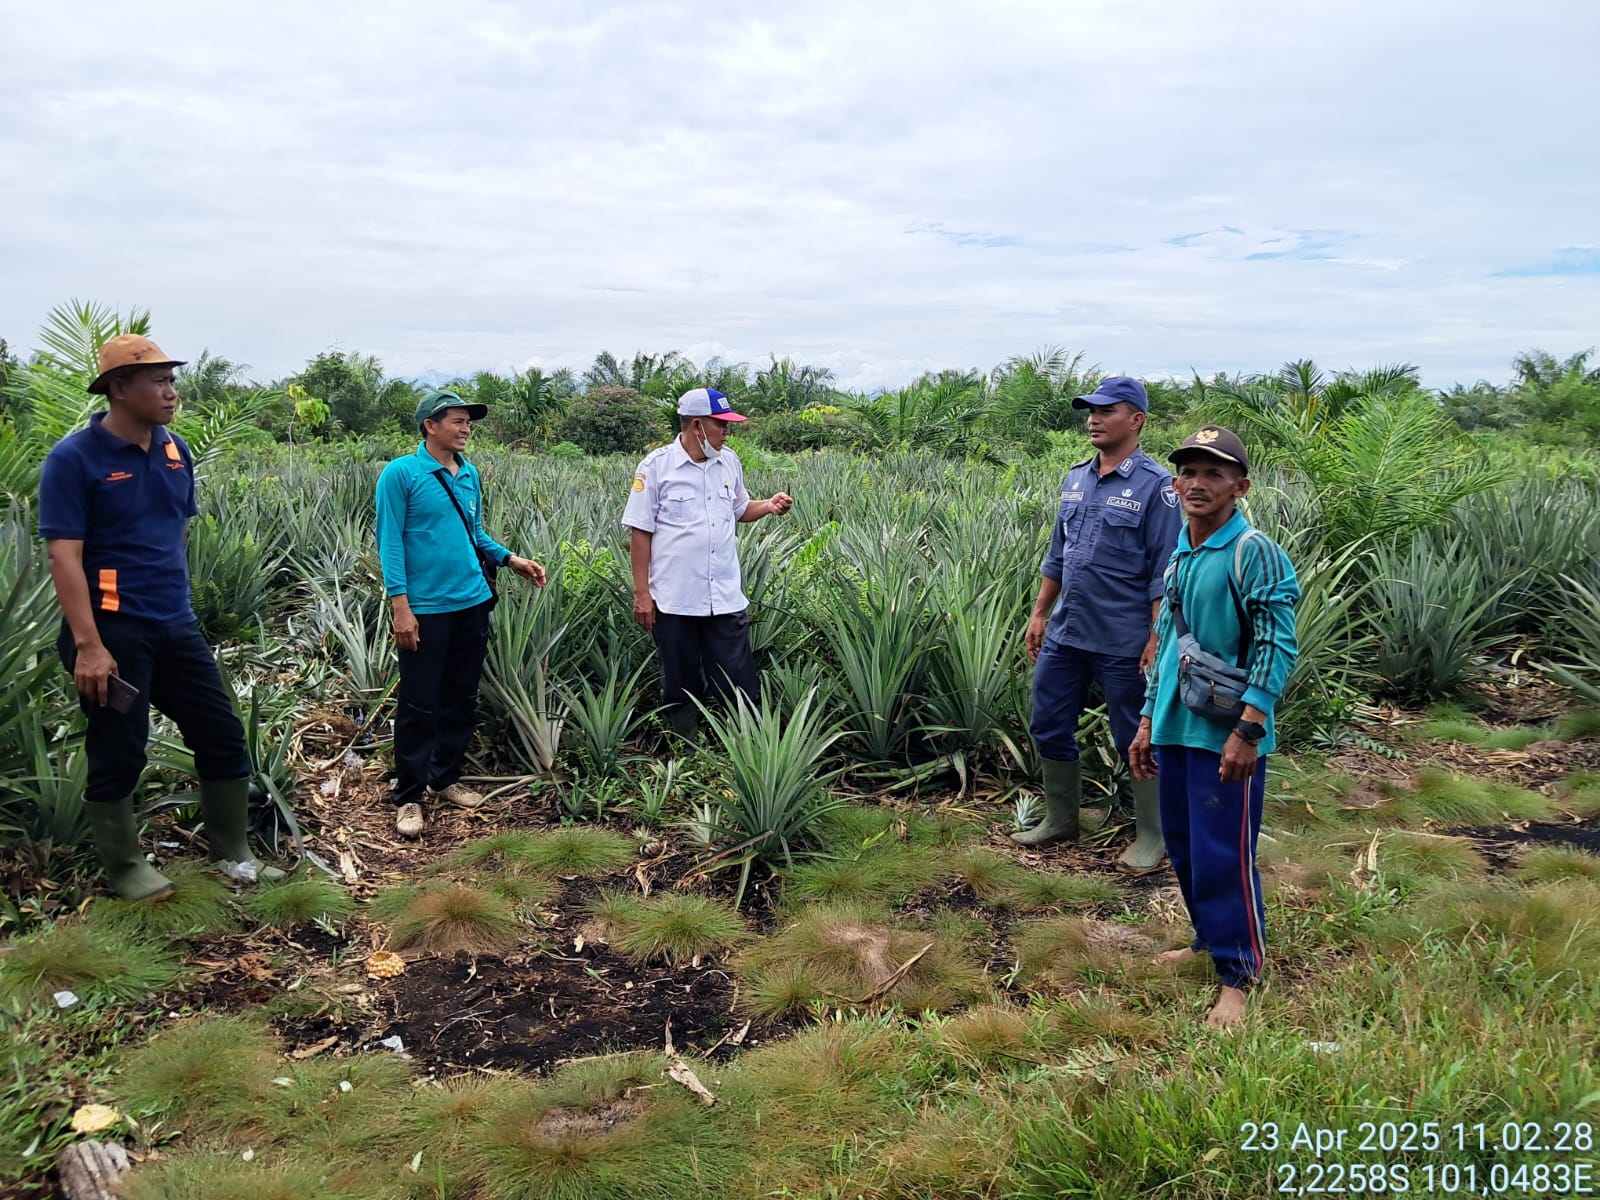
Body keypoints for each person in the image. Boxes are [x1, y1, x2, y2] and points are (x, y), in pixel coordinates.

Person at [37, 334, 281, 900]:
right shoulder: (74, 459)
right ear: (119, 389)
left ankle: (232, 853)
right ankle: (124, 867)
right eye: (159, 381)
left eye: (173, 380)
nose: (171, 392)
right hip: (112, 630)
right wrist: (89, 646)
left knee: (220, 732)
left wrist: (179, 604)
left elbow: (171, 533)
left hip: (174, 624)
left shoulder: (175, 450)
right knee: (119, 746)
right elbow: (63, 556)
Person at [1129, 426, 1300, 1029]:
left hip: (1226, 734)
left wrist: (1249, 730)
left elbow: (1279, 645)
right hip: (1176, 728)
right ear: (1175, 483)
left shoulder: (1253, 551)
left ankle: (1239, 973)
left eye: (1214, 474)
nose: (1198, 484)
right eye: (1189, 473)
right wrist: (1149, 719)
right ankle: (1209, 939)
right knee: (1185, 849)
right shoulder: (1182, 548)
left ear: (1240, 486)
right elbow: (1168, 649)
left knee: (1224, 855)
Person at [1015, 376, 1183, 872]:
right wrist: (1040, 612)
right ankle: (1061, 819)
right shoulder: (1075, 478)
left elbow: (1164, 571)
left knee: (1133, 733)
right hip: (1068, 631)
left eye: (1107, 410)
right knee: (1048, 721)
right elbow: (1058, 554)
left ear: (1136, 420)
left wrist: (1156, 638)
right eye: (1091, 409)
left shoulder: (1157, 487)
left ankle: (1153, 834)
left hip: (1124, 638)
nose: (1094, 418)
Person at [375, 390, 547, 838]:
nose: (466, 428)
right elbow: (390, 544)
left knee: (460, 696)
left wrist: (512, 560)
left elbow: (475, 534)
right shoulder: (401, 474)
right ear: (430, 426)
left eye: (468, 422)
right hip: (426, 609)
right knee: (418, 702)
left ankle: (444, 778)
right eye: (457, 421)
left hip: (471, 601)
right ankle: (409, 796)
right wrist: (401, 607)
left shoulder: (468, 474)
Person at [622, 387, 793, 738]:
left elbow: (741, 509)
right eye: (722, 424)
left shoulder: (728, 461)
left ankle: (746, 744)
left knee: (738, 675)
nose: (727, 431)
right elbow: (641, 533)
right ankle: (685, 749)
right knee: (680, 679)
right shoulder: (656, 467)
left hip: (724, 595)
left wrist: (769, 505)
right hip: (675, 598)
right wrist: (642, 593)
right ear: (697, 426)